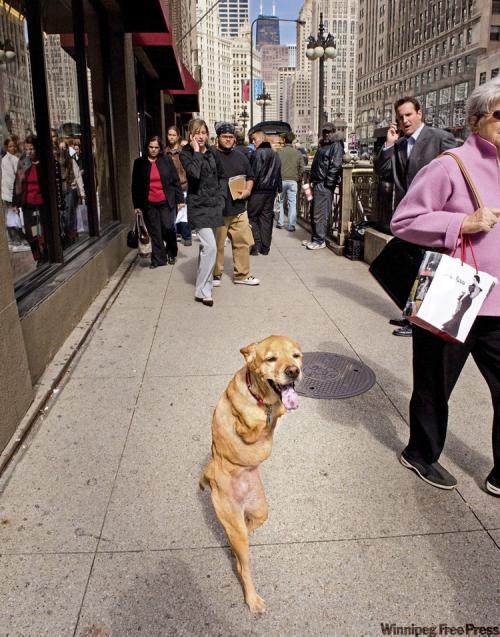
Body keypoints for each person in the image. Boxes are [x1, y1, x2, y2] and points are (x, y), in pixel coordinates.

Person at [391, 77, 500, 497]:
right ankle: (420, 453)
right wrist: (460, 223)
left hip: (499, 306)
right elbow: (403, 221)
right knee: (434, 388)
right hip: (454, 296)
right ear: (476, 121)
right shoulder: (450, 165)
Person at [375, 97, 456, 336]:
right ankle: (411, 315)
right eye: (400, 117)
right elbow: (382, 172)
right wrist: (389, 145)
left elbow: (458, 170)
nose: (405, 120)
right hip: (409, 216)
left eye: (409, 114)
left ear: (420, 113)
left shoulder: (439, 137)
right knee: (409, 265)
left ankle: (419, 322)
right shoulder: (398, 144)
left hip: (433, 214)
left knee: (426, 267)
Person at [180, 118, 226, 306]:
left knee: (207, 248)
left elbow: (222, 177)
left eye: (203, 132)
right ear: (191, 135)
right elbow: (194, 174)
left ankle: (206, 285)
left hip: (214, 205)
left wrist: (222, 198)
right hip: (198, 207)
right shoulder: (186, 154)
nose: (201, 136)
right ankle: (202, 290)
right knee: (211, 247)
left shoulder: (214, 153)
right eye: (197, 133)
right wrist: (197, 152)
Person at [213, 121, 259, 287]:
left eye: (230, 137)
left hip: (239, 209)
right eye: (224, 137)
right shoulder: (211, 156)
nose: (227, 139)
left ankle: (242, 274)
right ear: (218, 138)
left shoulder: (241, 157)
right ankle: (215, 275)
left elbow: (251, 177)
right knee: (217, 246)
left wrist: (247, 190)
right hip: (218, 210)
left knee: (242, 243)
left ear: (234, 139)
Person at [131, 135, 183, 269]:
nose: (153, 150)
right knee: (155, 232)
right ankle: (158, 259)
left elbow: (175, 181)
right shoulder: (139, 163)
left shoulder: (166, 160)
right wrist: (136, 205)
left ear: (160, 148)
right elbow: (135, 186)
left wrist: (180, 200)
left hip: (166, 201)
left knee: (168, 228)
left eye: (156, 147)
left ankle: (171, 252)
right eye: (151, 147)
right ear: (147, 147)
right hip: (149, 203)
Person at [303, 122, 343, 250]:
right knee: (314, 212)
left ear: (333, 132)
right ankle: (315, 238)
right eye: (324, 131)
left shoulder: (336, 145)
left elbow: (335, 165)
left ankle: (320, 240)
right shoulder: (323, 145)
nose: (326, 134)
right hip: (316, 183)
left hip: (323, 184)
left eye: (329, 131)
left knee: (320, 213)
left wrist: (328, 184)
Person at [12, 135, 47, 264]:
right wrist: (15, 203)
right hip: (28, 203)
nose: (30, 152)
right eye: (27, 149)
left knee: (42, 230)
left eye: (32, 149)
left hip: (41, 202)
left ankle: (46, 252)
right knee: (30, 232)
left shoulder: (42, 163)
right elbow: (18, 184)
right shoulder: (23, 163)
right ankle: (37, 256)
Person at [247, 127, 281, 255]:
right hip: (271, 192)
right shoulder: (275, 154)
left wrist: (249, 188)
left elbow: (253, 174)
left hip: (257, 191)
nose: (253, 142)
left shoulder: (257, 154)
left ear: (261, 139)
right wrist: (279, 188)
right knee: (266, 218)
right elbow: (278, 174)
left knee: (252, 217)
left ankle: (256, 245)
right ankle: (265, 248)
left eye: (254, 139)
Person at [165, 125, 192, 247]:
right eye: (169, 134)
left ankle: (187, 236)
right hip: (169, 188)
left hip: (183, 186)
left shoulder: (184, 151)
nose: (171, 137)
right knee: (172, 214)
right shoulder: (164, 152)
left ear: (178, 136)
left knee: (183, 213)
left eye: (173, 135)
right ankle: (174, 235)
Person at [2, 137, 28, 251]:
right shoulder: (7, 160)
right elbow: (10, 179)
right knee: (13, 218)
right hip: (11, 194)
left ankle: (18, 240)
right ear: (6, 148)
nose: (13, 148)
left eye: (14, 146)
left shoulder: (15, 158)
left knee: (14, 217)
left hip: (15, 193)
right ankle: (16, 241)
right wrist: (13, 197)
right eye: (10, 146)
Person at [276, 131, 304, 231]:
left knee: (280, 202)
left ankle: (280, 222)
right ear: (292, 141)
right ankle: (291, 225)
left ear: (284, 140)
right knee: (292, 203)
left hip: (281, 181)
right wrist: (298, 178)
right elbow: (302, 168)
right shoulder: (298, 153)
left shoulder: (279, 153)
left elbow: (276, 168)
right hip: (293, 181)